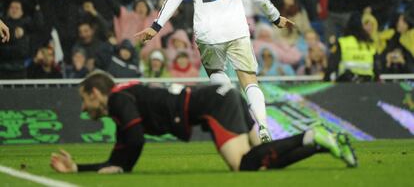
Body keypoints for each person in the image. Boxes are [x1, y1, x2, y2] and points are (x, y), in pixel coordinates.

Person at [135, 0, 294, 143]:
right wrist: (275, 17)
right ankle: (263, 126)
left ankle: (235, 120)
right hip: (237, 29)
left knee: (216, 74)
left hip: (208, 33)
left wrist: (156, 26)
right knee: (249, 81)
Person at [50, 71, 357, 174]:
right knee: (262, 160)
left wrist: (116, 165)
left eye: (84, 99)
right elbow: (123, 152)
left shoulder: (117, 100)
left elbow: (133, 144)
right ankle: (318, 142)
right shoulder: (123, 99)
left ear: (95, 93)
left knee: (243, 165)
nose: (83, 107)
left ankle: (312, 134)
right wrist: (81, 168)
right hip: (222, 96)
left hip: (213, 103)